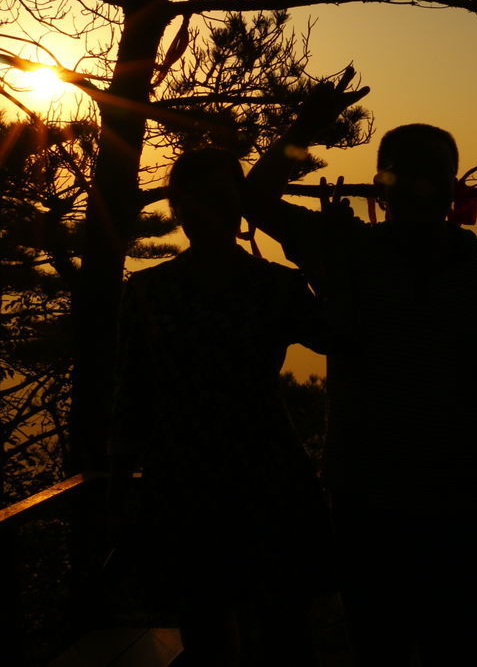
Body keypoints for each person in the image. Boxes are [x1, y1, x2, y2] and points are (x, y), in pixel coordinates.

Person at [241, 72, 477, 667]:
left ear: (452, 188)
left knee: (459, 647)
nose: (420, 185)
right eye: (405, 172)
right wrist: (304, 131)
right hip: (370, 496)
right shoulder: (347, 248)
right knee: (386, 644)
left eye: (433, 172)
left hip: (456, 492)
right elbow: (252, 197)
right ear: (381, 186)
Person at [109, 147, 332, 667]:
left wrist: (320, 252)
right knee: (213, 639)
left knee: (283, 638)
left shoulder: (273, 286)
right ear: (178, 208)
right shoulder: (150, 291)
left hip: (257, 481)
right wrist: (120, 497)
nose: (210, 211)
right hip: (196, 484)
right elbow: (130, 398)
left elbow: (338, 336)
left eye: (222, 199)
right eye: (198, 200)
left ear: (241, 207)